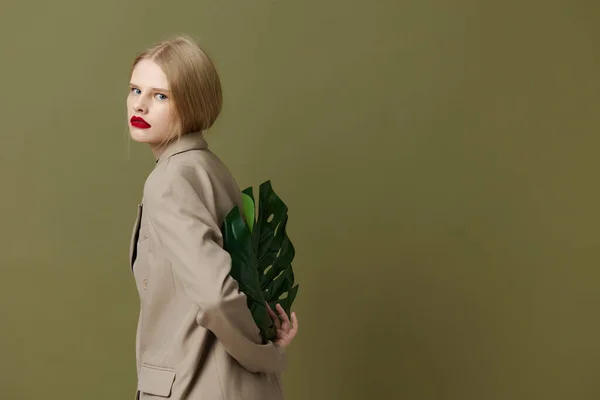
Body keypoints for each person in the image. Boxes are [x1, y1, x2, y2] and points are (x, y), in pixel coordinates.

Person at [127, 35, 299, 400]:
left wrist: (267, 357)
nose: (139, 106)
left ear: (192, 102)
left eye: (160, 95)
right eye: (135, 90)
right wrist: (262, 339)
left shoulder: (170, 182)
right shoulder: (208, 167)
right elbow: (239, 277)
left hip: (196, 387)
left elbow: (217, 295)